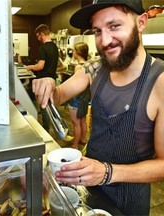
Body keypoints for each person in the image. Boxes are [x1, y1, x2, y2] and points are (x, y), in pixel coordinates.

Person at [32, 0, 164, 215]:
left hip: (129, 199)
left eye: (114, 26)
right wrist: (47, 84)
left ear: (141, 22)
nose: (104, 41)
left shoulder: (160, 81)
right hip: (88, 187)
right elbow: (58, 95)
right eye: (97, 31)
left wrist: (106, 172)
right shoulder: (95, 69)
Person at [26, 24, 58, 132]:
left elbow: (40, 66)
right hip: (52, 79)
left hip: (43, 81)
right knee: (49, 105)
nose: (38, 39)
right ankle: (50, 128)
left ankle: (46, 131)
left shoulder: (43, 48)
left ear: (41, 34)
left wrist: (29, 67)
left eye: (38, 36)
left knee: (44, 106)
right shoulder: (54, 46)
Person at [68, 42, 90, 149]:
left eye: (74, 50)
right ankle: (83, 139)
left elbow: (76, 86)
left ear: (78, 52)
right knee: (82, 120)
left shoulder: (78, 67)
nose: (73, 52)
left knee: (76, 123)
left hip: (76, 100)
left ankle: (75, 145)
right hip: (84, 99)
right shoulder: (88, 65)